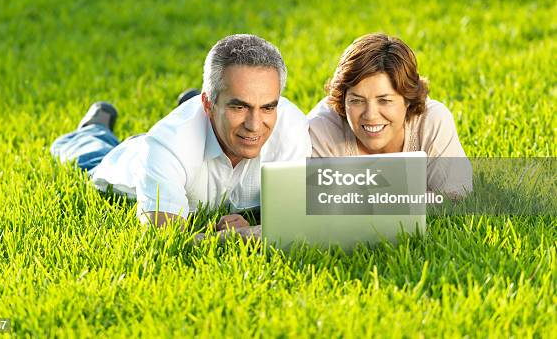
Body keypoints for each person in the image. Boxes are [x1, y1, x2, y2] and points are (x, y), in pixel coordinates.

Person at [51, 34, 312, 234]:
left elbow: (294, 217)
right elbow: (167, 236)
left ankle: (199, 107)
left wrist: (255, 225)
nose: (255, 125)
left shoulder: (291, 127)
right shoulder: (167, 144)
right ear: (208, 104)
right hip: (131, 161)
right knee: (93, 158)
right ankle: (92, 130)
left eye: (267, 107)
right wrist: (237, 237)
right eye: (239, 106)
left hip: (195, 136)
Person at [307, 33, 472, 198]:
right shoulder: (320, 129)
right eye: (357, 101)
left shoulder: (431, 121)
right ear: (343, 100)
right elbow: (315, 204)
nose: (371, 115)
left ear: (408, 99)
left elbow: (456, 197)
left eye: (384, 100)